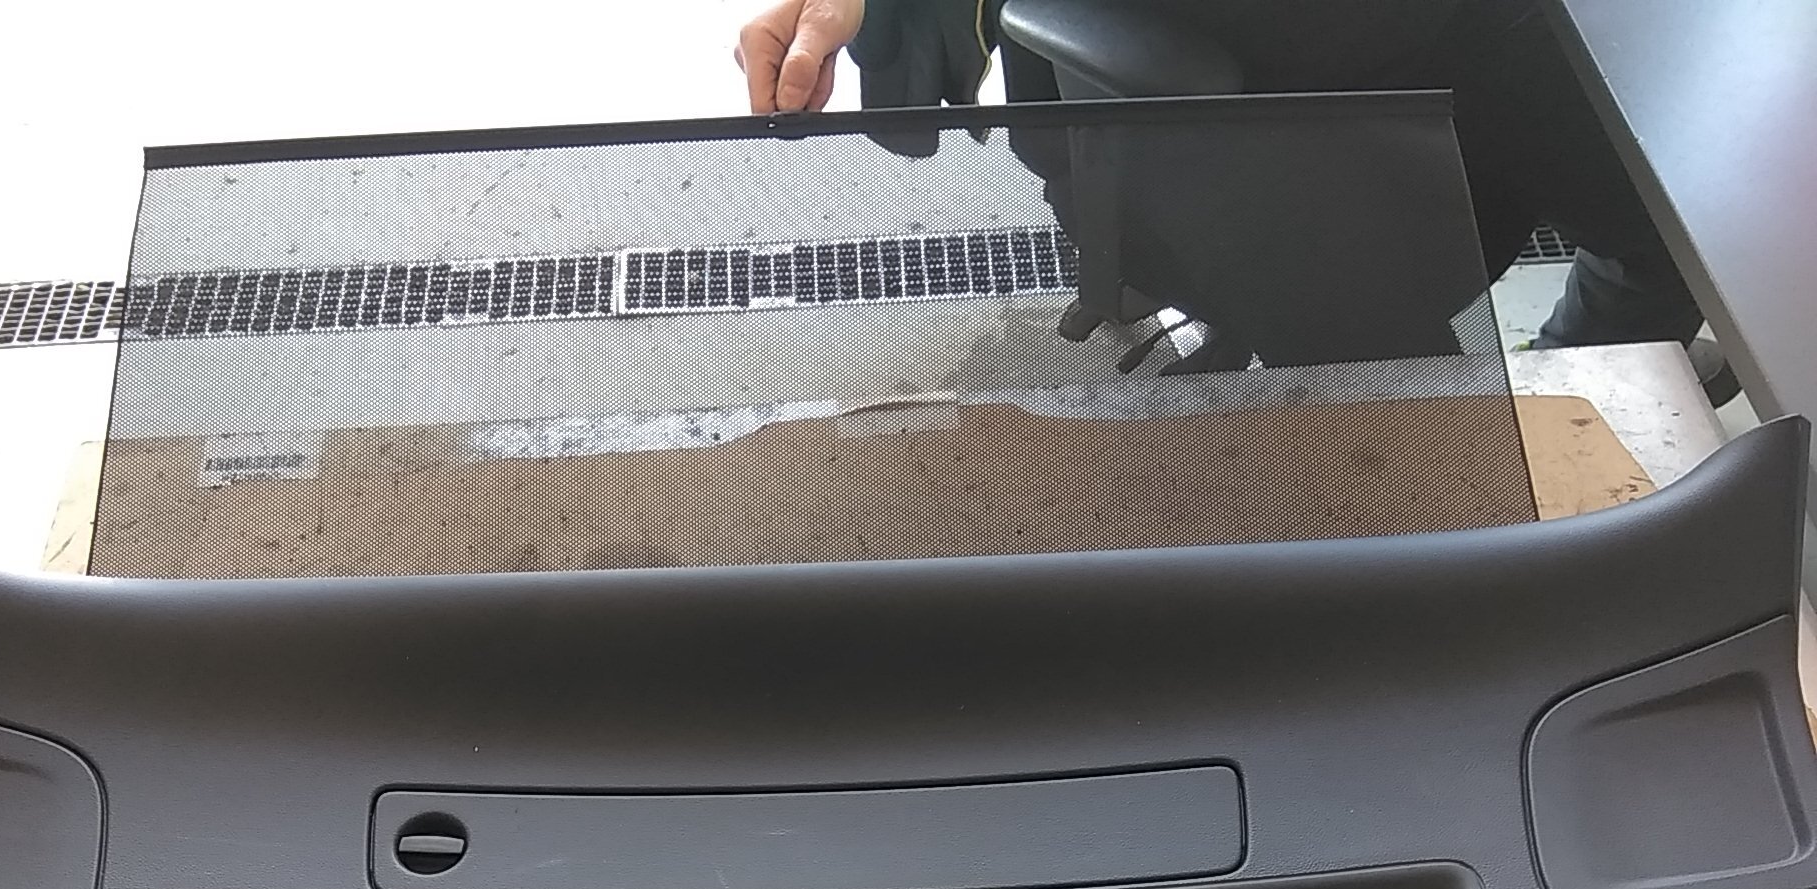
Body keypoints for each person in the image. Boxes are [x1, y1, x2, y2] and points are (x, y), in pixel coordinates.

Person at [734, 0, 1735, 396]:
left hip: (1242, 167)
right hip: (1369, 135)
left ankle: (1576, 389)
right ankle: (1585, 395)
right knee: (1685, 227)